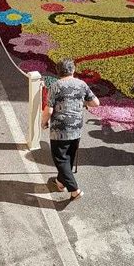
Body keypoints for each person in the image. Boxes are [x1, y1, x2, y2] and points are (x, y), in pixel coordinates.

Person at [41, 59, 99, 200]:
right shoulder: (81, 84)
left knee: (60, 159)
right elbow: (95, 103)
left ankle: (74, 189)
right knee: (69, 156)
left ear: (58, 71)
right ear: (73, 70)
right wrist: (80, 101)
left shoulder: (56, 86)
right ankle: (60, 183)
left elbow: (49, 110)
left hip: (60, 129)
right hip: (77, 127)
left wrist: (43, 123)